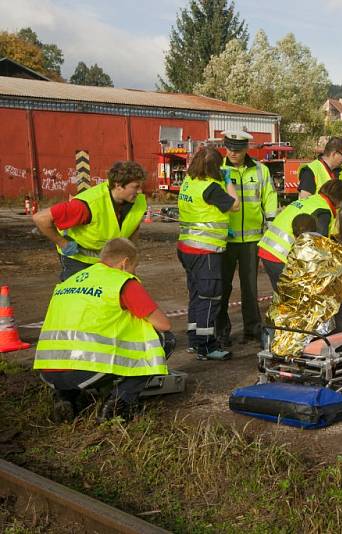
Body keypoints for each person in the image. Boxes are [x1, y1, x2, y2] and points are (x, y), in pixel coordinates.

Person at [34, 238, 174, 422]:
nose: (135, 271)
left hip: (49, 371)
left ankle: (65, 397)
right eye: (135, 266)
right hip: (87, 369)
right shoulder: (121, 282)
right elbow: (164, 324)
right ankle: (118, 404)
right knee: (164, 339)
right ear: (124, 263)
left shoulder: (69, 282)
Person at [33, 161, 148, 282]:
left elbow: (134, 226)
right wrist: (63, 243)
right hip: (78, 260)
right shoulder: (88, 204)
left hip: (108, 259)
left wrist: (131, 252)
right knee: (80, 296)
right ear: (118, 185)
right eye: (136, 187)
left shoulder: (138, 202)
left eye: (141, 186)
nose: (140, 191)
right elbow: (41, 218)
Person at [177, 146, 240, 361]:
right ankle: (206, 346)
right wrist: (228, 181)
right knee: (210, 298)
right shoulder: (211, 187)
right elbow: (235, 205)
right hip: (206, 251)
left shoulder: (189, 183)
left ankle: (195, 341)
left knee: (197, 296)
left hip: (187, 247)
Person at [217, 131, 278, 347]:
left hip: (252, 240)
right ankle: (221, 331)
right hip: (225, 238)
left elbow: (269, 198)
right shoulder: (218, 169)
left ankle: (252, 329)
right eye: (230, 148)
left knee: (250, 288)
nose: (233, 152)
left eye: (238, 149)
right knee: (222, 287)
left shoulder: (261, 170)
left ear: (246, 149)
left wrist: (270, 228)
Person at [258, 179, 342, 288]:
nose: (341, 206)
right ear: (338, 199)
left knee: (282, 294)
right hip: (281, 255)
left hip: (269, 248)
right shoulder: (323, 211)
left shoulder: (312, 200)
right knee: (291, 296)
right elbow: (319, 246)